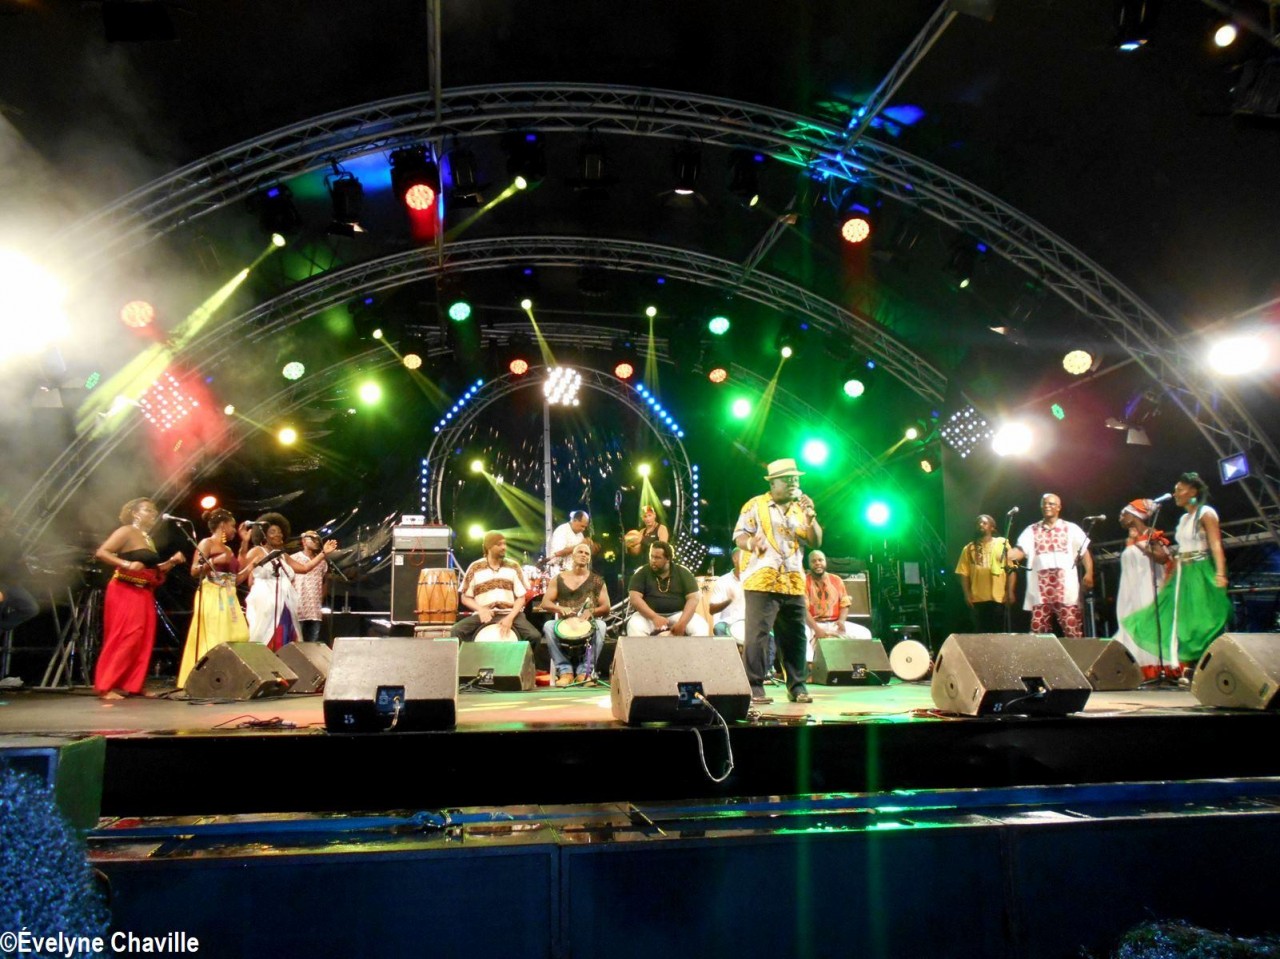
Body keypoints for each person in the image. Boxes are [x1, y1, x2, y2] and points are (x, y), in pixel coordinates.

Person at [1122, 472, 1232, 680]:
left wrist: (1220, 572)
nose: (1175, 494)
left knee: (1202, 619)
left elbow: (1216, 544)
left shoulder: (1206, 513)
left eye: (1180, 490)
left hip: (1200, 569)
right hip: (1183, 572)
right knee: (1181, 620)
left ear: (1193, 491)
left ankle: (1211, 665)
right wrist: (1171, 576)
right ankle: (1192, 667)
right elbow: (1179, 550)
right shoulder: (1183, 519)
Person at [733, 458, 822, 705]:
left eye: (796, 479)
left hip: (793, 580)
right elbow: (739, 536)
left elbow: (816, 541)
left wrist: (811, 518)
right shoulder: (755, 505)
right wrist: (751, 543)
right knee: (758, 636)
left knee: (795, 637)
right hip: (762, 580)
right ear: (773, 483)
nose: (794, 483)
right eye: (788, 479)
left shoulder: (800, 509)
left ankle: (797, 686)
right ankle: (754, 686)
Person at [93, 497, 186, 699]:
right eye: (148, 510)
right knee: (127, 636)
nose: (153, 514)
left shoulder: (147, 538)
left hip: (143, 592)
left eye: (154, 511)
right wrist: (126, 564)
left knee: (143, 639)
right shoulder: (126, 531)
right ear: (135, 513)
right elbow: (102, 552)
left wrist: (172, 562)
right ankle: (106, 686)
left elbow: (152, 569)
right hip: (124, 589)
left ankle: (132, 684)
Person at [177, 508, 250, 688]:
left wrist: (247, 552)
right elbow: (194, 571)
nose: (234, 530)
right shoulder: (207, 543)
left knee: (238, 634)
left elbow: (235, 579)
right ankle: (205, 678)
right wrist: (214, 562)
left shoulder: (228, 549)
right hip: (211, 593)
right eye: (232, 526)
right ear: (223, 525)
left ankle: (227, 677)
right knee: (214, 634)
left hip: (229, 596)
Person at [240, 513, 336, 649]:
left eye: (280, 532)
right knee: (267, 635)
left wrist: (323, 553)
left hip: (285, 601)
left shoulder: (282, 555)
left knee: (285, 633)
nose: (278, 534)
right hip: (266, 601)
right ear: (264, 535)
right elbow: (242, 567)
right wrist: (244, 542)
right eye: (273, 532)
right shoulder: (258, 551)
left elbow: (304, 568)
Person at [1008, 493, 1093, 638]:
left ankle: (1077, 653)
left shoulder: (1071, 528)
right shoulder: (1031, 530)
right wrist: (1007, 554)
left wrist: (1089, 573)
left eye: (1051, 504)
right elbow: (1020, 552)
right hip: (1040, 590)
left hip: (1066, 588)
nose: (1047, 506)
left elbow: (1084, 552)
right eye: (1044, 504)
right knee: (1038, 632)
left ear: (1059, 507)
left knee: (1072, 629)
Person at [1111, 499, 1170, 679]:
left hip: (1148, 588)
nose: (1121, 518)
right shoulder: (1130, 538)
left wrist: (1141, 545)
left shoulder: (1149, 534)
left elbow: (1162, 557)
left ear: (1134, 515)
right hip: (1130, 590)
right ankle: (1135, 666)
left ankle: (1154, 667)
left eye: (1124, 514)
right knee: (1129, 624)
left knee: (1147, 625)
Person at [451, 531, 541, 644]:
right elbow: (465, 597)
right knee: (456, 631)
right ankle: (469, 655)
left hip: (510, 613)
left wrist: (510, 618)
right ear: (488, 547)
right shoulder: (475, 568)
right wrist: (481, 609)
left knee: (534, 636)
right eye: (499, 544)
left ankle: (524, 656)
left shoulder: (513, 566)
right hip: (484, 614)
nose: (504, 547)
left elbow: (521, 598)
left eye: (504, 544)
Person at [540, 542, 610, 685]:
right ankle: (565, 671)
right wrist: (560, 608)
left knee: (601, 626)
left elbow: (606, 607)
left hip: (587, 623)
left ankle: (585, 671)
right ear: (572, 556)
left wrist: (591, 611)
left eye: (587, 553)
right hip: (564, 623)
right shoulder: (559, 579)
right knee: (548, 626)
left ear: (589, 559)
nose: (583, 555)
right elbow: (545, 603)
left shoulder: (597, 581)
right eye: (580, 552)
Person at [626, 541, 707, 635]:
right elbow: (634, 598)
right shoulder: (642, 572)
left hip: (678, 614)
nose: (653, 560)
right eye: (651, 556)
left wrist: (682, 623)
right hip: (648, 615)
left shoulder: (682, 572)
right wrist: (654, 617)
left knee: (701, 626)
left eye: (657, 557)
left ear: (668, 559)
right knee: (634, 626)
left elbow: (693, 598)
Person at [804, 550, 873, 658]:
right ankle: (809, 665)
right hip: (813, 624)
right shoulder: (804, 581)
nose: (817, 563)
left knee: (865, 633)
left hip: (834, 624)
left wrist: (841, 621)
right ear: (809, 564)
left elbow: (844, 604)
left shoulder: (836, 580)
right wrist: (817, 629)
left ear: (825, 562)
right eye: (813, 561)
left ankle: (860, 666)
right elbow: (804, 610)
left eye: (820, 560)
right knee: (801, 634)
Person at [954, 514, 1015, 632]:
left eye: (984, 523)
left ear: (992, 527)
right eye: (978, 523)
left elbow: (1011, 570)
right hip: (978, 599)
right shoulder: (968, 549)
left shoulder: (1002, 544)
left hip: (999, 598)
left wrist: (1010, 591)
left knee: (998, 634)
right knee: (981, 633)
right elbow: (964, 574)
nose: (980, 525)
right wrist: (966, 594)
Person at [0, 507, 39, 646]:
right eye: (4, 516)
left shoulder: (12, 538)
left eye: (8, 517)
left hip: (11, 582)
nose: (7, 520)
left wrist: (23, 563)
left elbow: (18, 559)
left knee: (31, 608)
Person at [291, 530, 329, 644]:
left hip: (315, 612)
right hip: (298, 610)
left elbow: (325, 582)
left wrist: (320, 599)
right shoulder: (294, 558)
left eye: (317, 539)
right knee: (297, 645)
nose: (315, 541)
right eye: (312, 538)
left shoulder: (322, 562)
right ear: (303, 541)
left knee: (311, 646)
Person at [546, 511, 592, 579]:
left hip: (574, 573)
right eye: (582, 526)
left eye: (585, 527)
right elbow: (558, 553)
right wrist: (580, 545)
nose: (583, 529)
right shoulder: (562, 530)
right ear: (575, 520)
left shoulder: (580, 535)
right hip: (559, 572)